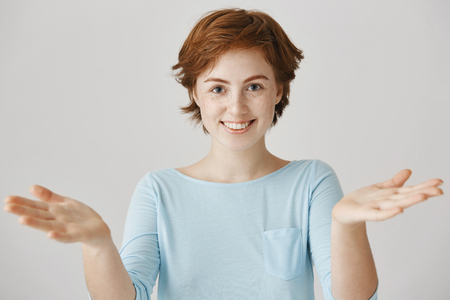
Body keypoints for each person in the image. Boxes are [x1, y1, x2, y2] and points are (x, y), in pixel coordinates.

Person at [3, 8, 444, 300]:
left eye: (254, 86)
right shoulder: (159, 189)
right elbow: (127, 295)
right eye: (218, 88)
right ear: (195, 92)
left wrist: (347, 226)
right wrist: (98, 244)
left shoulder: (312, 181)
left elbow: (349, 295)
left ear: (279, 90)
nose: (236, 107)